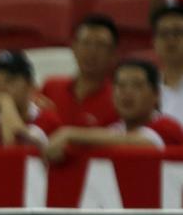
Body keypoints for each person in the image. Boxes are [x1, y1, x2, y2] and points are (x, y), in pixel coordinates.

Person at [44, 58, 183, 160]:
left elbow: (141, 143)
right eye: (121, 86)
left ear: (156, 95)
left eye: (137, 85)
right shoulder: (115, 129)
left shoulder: (167, 127)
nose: (127, 93)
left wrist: (70, 133)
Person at [0, 49, 61, 146]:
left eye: (9, 80)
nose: (0, 88)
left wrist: (5, 102)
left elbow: (17, 145)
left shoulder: (47, 119)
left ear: (30, 86)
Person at [39, 14, 119, 127]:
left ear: (113, 54)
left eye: (101, 45)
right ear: (74, 48)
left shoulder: (118, 99)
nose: (92, 52)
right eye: (85, 43)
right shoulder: (51, 87)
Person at [152, 4, 183, 125]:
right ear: (154, 41)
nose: (171, 39)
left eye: (178, 32)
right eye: (164, 33)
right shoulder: (146, 87)